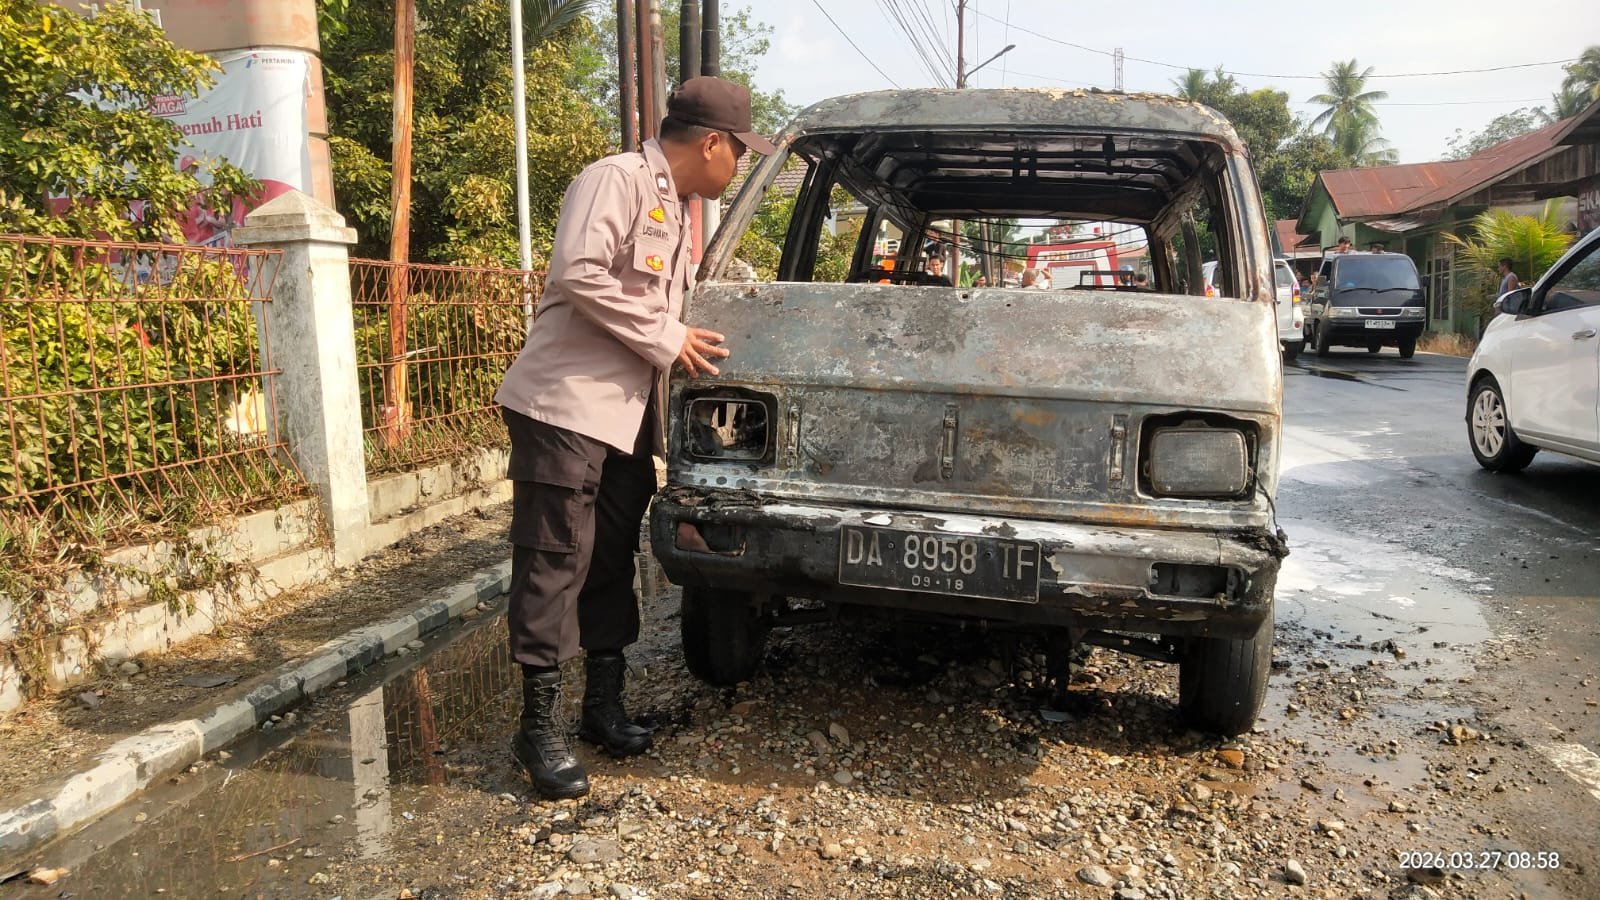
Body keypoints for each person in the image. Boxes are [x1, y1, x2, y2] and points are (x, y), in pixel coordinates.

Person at [493, 76, 774, 800]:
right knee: (555, 560)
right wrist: (668, 336)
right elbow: (578, 273)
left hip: (623, 417)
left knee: (612, 557)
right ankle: (538, 728)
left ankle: (602, 706)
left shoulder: (675, 208)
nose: (738, 164)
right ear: (711, 143)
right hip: (564, 406)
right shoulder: (615, 180)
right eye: (740, 150)